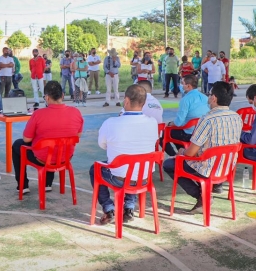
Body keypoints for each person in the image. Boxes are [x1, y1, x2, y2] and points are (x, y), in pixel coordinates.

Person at [163, 81, 242, 213]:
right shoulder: (237, 117)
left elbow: (189, 154)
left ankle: (202, 197)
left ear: (214, 98)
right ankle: (210, 190)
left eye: (210, 94)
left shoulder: (207, 119)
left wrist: (181, 151)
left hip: (207, 167)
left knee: (169, 164)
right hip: (227, 166)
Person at [91, 85, 159, 224]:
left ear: (126, 100)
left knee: (95, 169)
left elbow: (102, 145)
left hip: (119, 177)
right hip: (144, 177)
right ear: (144, 102)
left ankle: (109, 208)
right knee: (133, 166)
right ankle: (129, 207)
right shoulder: (153, 123)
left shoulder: (111, 123)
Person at [12, 81, 84, 193]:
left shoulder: (38, 114)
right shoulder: (76, 112)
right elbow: (78, 135)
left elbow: (27, 139)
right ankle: (47, 183)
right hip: (66, 156)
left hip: (43, 158)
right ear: (63, 95)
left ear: (47, 97)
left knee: (18, 144)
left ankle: (23, 185)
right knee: (54, 143)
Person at [161, 75, 209, 157]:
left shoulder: (186, 99)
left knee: (163, 133)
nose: (180, 85)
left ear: (188, 86)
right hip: (202, 132)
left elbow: (178, 123)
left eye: (182, 83)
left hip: (189, 134)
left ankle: (175, 155)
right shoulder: (205, 97)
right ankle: (185, 153)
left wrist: (168, 124)